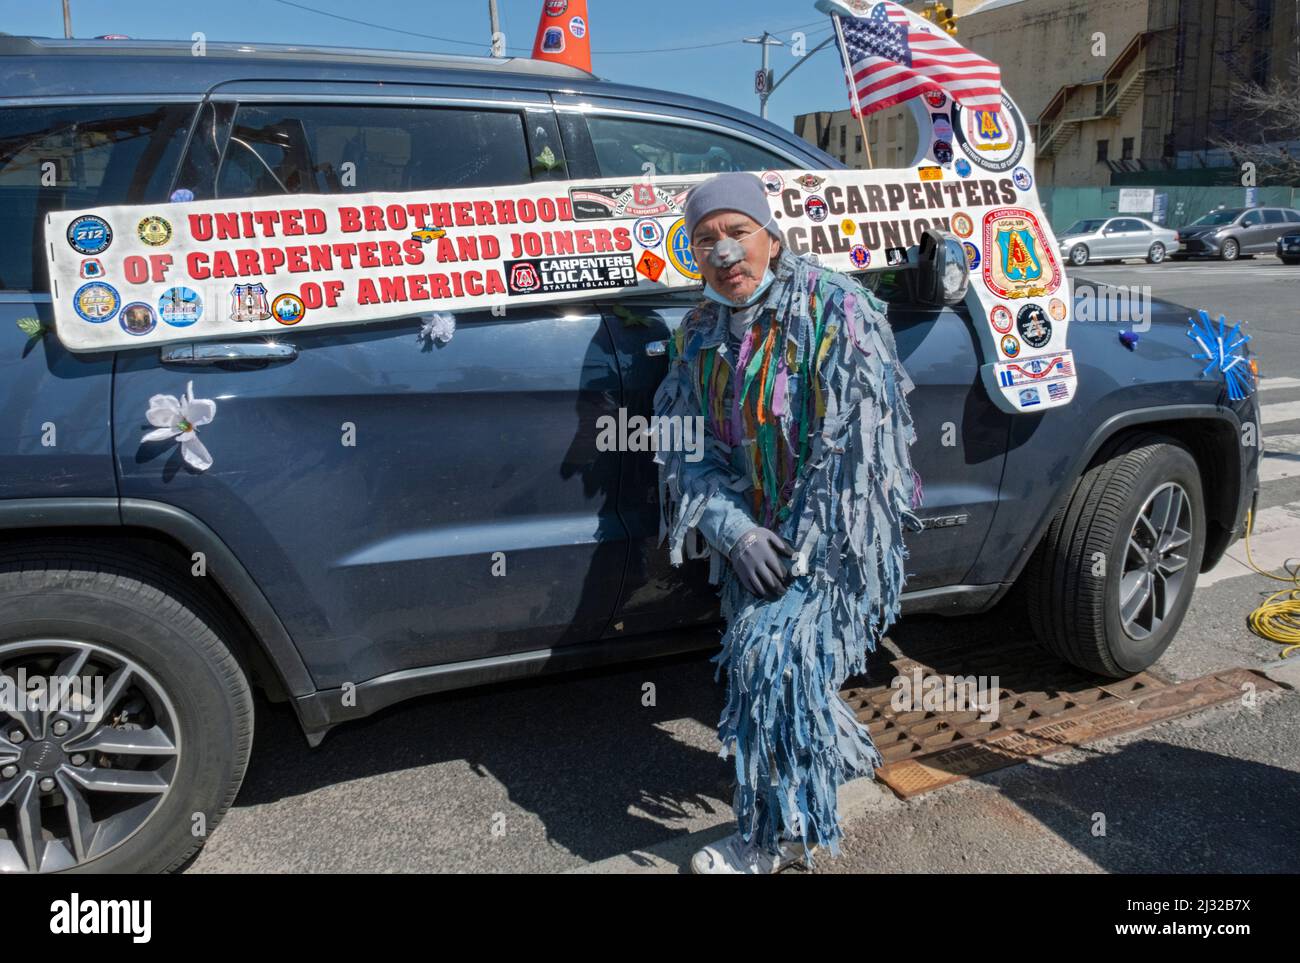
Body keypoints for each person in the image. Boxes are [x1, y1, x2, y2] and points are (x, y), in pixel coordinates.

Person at [652, 171, 924, 874]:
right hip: (753, 539)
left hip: (836, 545)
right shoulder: (698, 331)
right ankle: (837, 760)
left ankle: (777, 842)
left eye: (737, 233)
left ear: (771, 235)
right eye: (704, 240)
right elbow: (688, 452)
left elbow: (857, 459)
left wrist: (802, 554)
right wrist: (733, 531)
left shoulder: (839, 308)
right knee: (766, 672)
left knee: (770, 660)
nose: (722, 253)